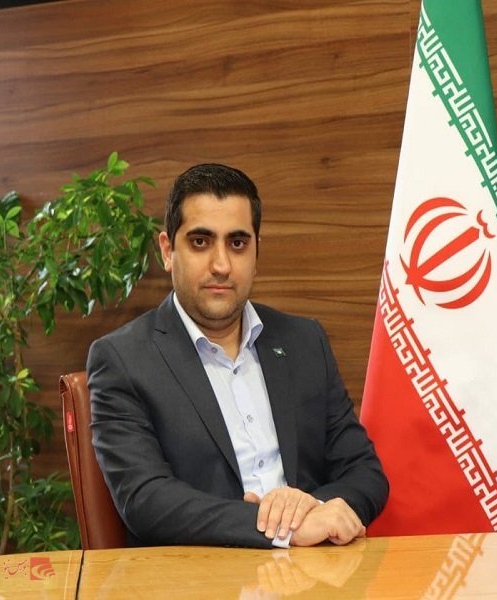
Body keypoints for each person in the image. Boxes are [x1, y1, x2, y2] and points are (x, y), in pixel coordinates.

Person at [87, 163, 388, 549]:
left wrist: (313, 508)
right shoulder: (122, 359)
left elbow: (365, 471)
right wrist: (284, 528)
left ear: (257, 251)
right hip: (202, 574)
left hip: (318, 569)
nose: (221, 265)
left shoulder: (304, 341)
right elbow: (146, 499)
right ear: (167, 250)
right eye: (200, 242)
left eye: (238, 243)